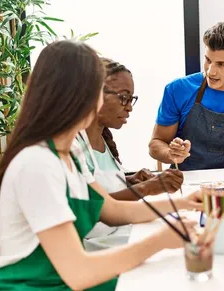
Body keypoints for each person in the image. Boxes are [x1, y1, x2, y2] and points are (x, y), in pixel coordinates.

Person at [0, 40, 201, 291]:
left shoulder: (71, 151)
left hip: (54, 280)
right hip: (27, 287)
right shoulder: (37, 164)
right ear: (79, 96)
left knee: (166, 274)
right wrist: (161, 241)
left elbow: (113, 210)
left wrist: (183, 203)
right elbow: (79, 273)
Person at [74, 57, 186, 251]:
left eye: (131, 99)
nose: (129, 107)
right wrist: (148, 188)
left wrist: (131, 181)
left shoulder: (103, 141)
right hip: (96, 246)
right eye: (123, 97)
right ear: (94, 94)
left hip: (120, 232)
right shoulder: (74, 146)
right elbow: (95, 208)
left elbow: (101, 188)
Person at [149, 21, 224, 175]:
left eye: (221, 64)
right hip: (185, 181)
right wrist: (171, 153)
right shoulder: (177, 90)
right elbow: (155, 144)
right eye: (208, 60)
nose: (211, 72)